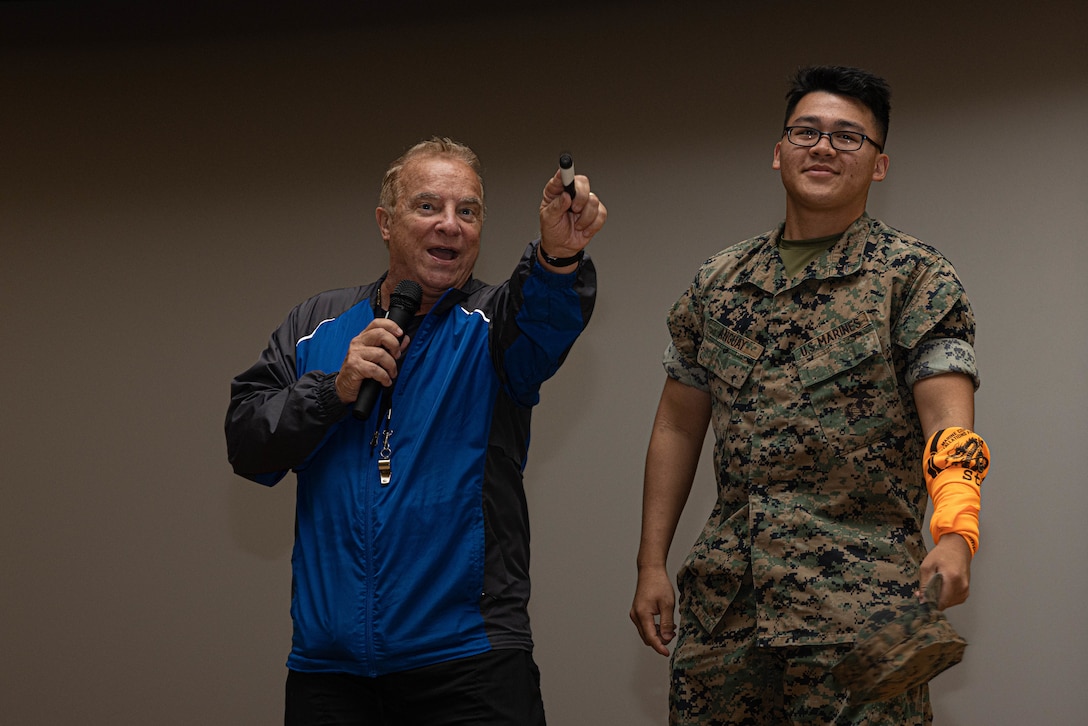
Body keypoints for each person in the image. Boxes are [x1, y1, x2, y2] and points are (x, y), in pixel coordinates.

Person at [629, 66, 989, 724]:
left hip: (861, 618)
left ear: (879, 165)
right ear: (778, 150)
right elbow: (677, 427)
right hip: (726, 615)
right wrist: (651, 562)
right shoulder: (718, 283)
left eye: (849, 138)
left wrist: (956, 532)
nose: (823, 148)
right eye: (807, 132)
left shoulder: (913, 279)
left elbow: (949, 423)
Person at [226, 137, 606, 725]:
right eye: (428, 207)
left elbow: (545, 317)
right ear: (386, 222)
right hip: (330, 675)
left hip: (469, 664)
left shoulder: (496, 326)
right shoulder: (313, 328)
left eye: (468, 211)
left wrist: (557, 259)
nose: (450, 226)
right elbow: (248, 443)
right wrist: (334, 389)